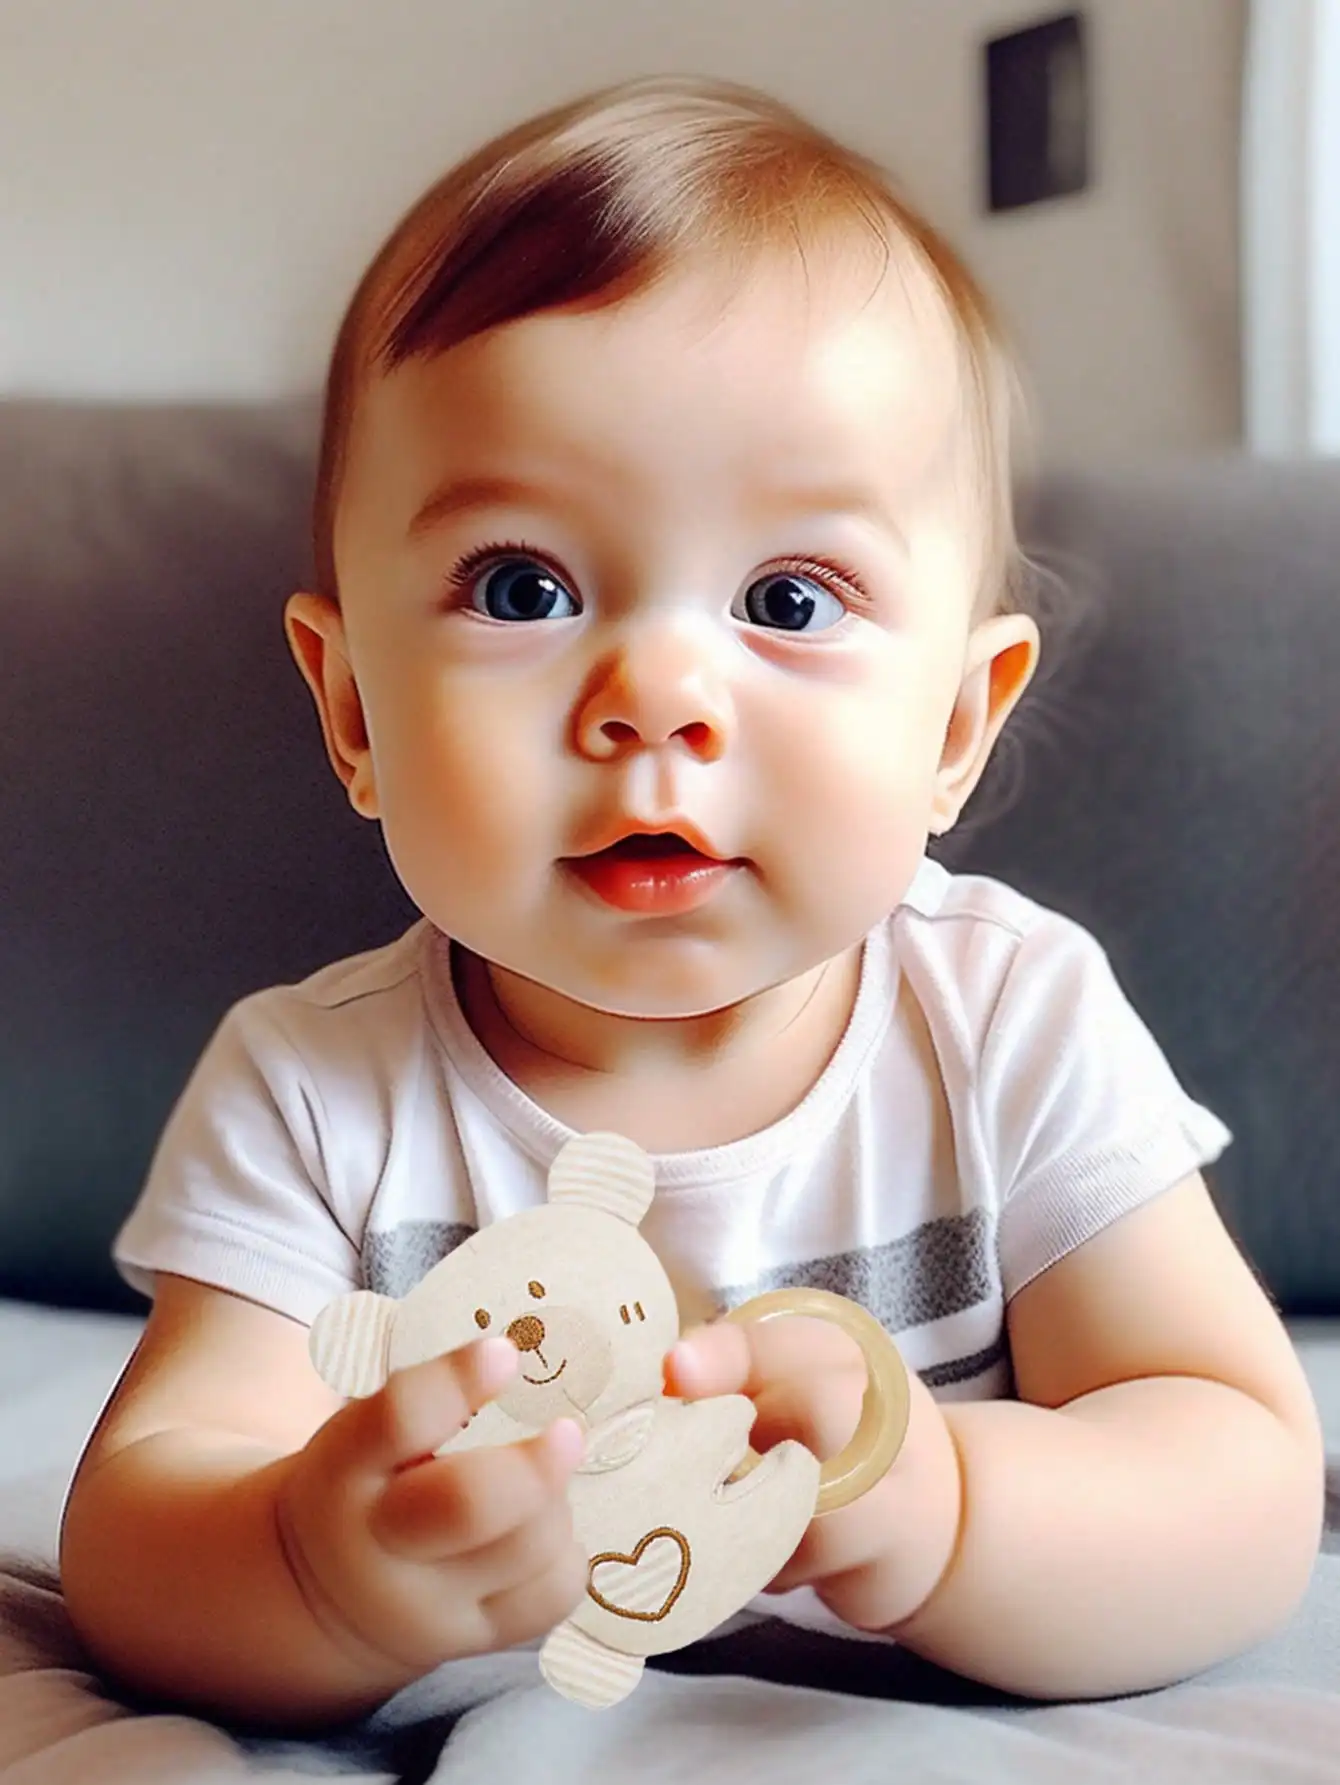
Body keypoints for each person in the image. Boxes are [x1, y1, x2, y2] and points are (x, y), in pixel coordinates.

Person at [59, 76, 1323, 1727]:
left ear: (954, 725)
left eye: (787, 599)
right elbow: (143, 1532)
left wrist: (944, 1507)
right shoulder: (314, 1093)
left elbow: (1235, 1474)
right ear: (355, 708)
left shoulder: (1008, 1023)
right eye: (524, 587)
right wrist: (312, 1566)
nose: (657, 697)